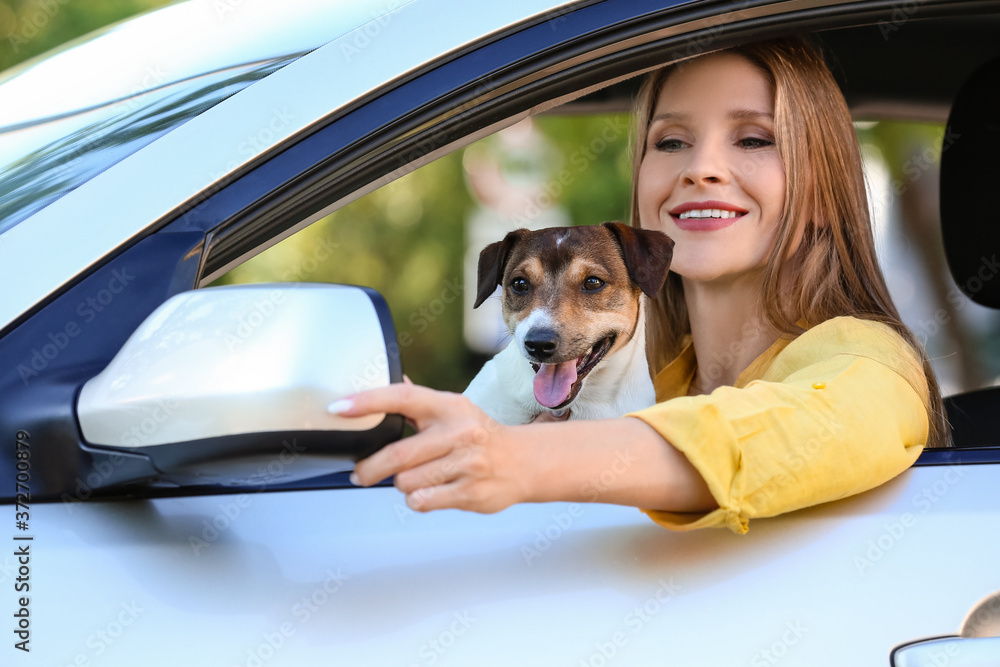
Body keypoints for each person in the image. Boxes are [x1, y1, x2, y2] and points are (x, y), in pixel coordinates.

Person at [331, 36, 948, 534]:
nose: (701, 167)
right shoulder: (638, 385)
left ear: (822, 188)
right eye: (671, 141)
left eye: (754, 138)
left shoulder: (870, 361)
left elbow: (777, 434)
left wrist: (515, 458)